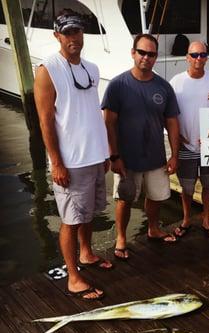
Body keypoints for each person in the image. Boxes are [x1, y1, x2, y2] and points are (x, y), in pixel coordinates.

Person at [34, 10, 112, 301]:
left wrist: (104, 152)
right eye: (67, 33)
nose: (73, 38)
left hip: (94, 157)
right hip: (70, 162)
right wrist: (57, 163)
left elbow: (92, 113)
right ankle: (73, 276)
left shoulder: (91, 68)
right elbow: (45, 121)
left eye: (77, 32)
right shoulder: (48, 69)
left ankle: (87, 253)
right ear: (57, 36)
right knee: (70, 219)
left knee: (89, 213)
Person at [102, 33, 180, 258]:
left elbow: (173, 122)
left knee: (156, 197)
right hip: (126, 159)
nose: (146, 57)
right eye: (142, 52)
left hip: (155, 156)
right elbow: (108, 123)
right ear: (133, 53)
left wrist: (174, 155)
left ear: (156, 57)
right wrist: (114, 157)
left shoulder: (164, 87)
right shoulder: (118, 85)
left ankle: (154, 229)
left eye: (151, 54)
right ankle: (121, 238)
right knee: (124, 199)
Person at [169, 41, 209, 239]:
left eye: (202, 55)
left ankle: (206, 219)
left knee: (208, 185)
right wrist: (177, 137)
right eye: (194, 55)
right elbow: (168, 115)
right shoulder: (176, 82)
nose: (198, 59)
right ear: (187, 57)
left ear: (207, 57)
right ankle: (187, 219)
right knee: (186, 187)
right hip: (184, 144)